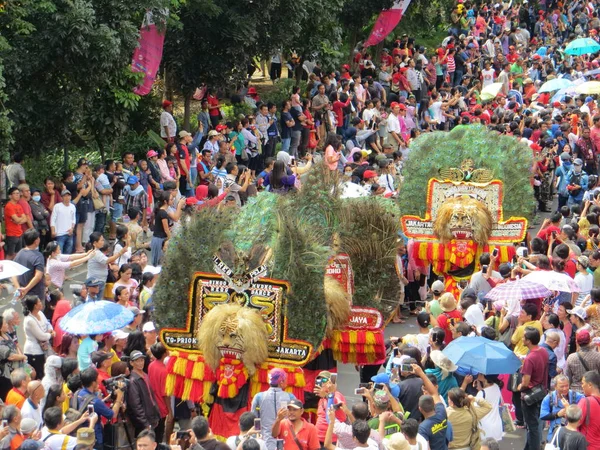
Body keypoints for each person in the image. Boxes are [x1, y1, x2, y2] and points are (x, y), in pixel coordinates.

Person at [518, 327, 549, 450]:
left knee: (532, 427)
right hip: (541, 392)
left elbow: (525, 382)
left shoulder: (530, 358)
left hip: (530, 396)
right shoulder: (543, 351)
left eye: (524, 337)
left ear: (529, 341)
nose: (522, 339)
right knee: (534, 426)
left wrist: (519, 386)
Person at [77, 367, 124, 447]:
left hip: (81, 433)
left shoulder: (79, 393)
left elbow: (92, 405)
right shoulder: (96, 401)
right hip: (94, 437)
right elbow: (113, 415)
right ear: (93, 383)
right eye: (97, 379)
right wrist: (119, 397)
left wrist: (107, 398)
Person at [413, 364, 450, 450]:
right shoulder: (441, 412)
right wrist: (421, 373)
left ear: (420, 409)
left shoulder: (422, 428)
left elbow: (427, 448)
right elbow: (434, 393)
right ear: (434, 405)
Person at [541, 375, 585, 443]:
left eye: (567, 385)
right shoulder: (549, 398)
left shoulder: (576, 395)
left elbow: (585, 407)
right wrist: (557, 414)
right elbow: (543, 416)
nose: (565, 389)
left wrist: (570, 409)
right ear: (555, 386)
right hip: (555, 435)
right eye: (562, 386)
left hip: (573, 435)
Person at [126, 350, 160, 436]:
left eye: (142, 360)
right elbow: (136, 405)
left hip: (152, 416)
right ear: (131, 363)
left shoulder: (145, 375)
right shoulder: (133, 380)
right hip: (144, 421)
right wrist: (145, 423)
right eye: (137, 361)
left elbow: (151, 396)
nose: (141, 363)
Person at [22, 295, 54, 380]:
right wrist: (51, 335)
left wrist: (50, 329)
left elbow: (47, 323)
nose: (41, 303)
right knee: (38, 376)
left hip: (43, 349)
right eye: (39, 302)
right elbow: (41, 336)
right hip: (34, 352)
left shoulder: (40, 313)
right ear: (35, 305)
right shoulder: (29, 320)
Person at [14, 229, 45, 302]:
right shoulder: (38, 256)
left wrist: (19, 288)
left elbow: (14, 273)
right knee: (38, 313)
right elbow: (38, 276)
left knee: (26, 312)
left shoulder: (19, 253)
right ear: (36, 241)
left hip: (23, 295)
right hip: (36, 296)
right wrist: (26, 289)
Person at [578, 370, 600, 449]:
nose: (582, 386)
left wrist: (568, 410)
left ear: (590, 385)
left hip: (589, 446)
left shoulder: (586, 401)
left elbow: (575, 422)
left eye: (583, 383)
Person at [50, 189, 76, 254]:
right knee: (59, 253)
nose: (67, 197)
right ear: (62, 197)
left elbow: (73, 219)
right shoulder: (57, 206)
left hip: (69, 233)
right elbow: (53, 219)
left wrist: (72, 229)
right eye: (65, 196)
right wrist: (53, 231)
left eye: (68, 196)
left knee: (68, 253)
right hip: (59, 234)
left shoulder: (73, 207)